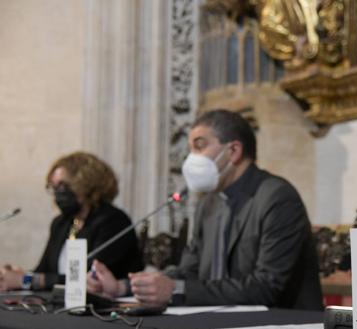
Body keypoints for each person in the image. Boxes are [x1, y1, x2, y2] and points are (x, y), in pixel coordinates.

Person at [89, 109, 323, 310]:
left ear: (233, 151)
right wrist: (122, 287)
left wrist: (176, 290)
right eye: (190, 149)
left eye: (200, 146)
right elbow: (188, 271)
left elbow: (266, 287)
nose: (192, 158)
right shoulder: (208, 204)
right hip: (224, 323)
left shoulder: (277, 197)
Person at [0, 152, 143, 291]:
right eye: (53, 187)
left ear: (87, 184)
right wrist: (16, 275)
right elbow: (43, 271)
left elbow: (89, 279)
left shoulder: (113, 221)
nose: (57, 194)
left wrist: (28, 280)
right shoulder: (61, 223)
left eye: (63, 186)